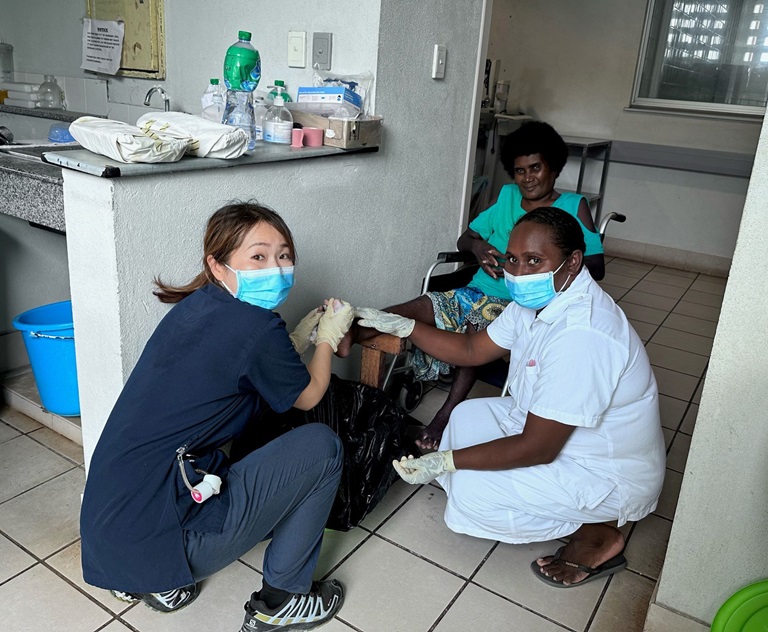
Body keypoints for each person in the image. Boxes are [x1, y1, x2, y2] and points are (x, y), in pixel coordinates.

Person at [356, 207, 665, 587]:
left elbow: (538, 448)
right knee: (466, 416)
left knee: (471, 493)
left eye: (534, 261)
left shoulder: (584, 335)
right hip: (563, 435)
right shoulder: (537, 301)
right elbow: (472, 349)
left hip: (604, 469)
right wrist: (407, 326)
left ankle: (595, 532)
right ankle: (544, 501)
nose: (518, 274)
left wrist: (447, 462)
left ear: (572, 263)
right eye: (513, 260)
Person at [80, 202, 353, 631]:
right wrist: (327, 338)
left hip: (108, 533)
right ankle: (283, 601)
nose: (277, 268)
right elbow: (309, 395)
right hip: (162, 533)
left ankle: (154, 582)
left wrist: (294, 339)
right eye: (258, 256)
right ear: (218, 264)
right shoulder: (258, 328)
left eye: (284, 255)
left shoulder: (195, 307)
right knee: (323, 448)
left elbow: (244, 367)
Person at [340, 121, 605, 451]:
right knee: (426, 304)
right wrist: (478, 249)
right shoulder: (508, 196)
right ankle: (354, 330)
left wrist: (529, 264)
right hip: (477, 289)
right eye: (520, 171)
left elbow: (596, 266)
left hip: (522, 303)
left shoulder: (573, 206)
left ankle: (445, 414)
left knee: (474, 327)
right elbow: (466, 237)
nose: (528, 178)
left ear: (553, 166)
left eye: (536, 167)